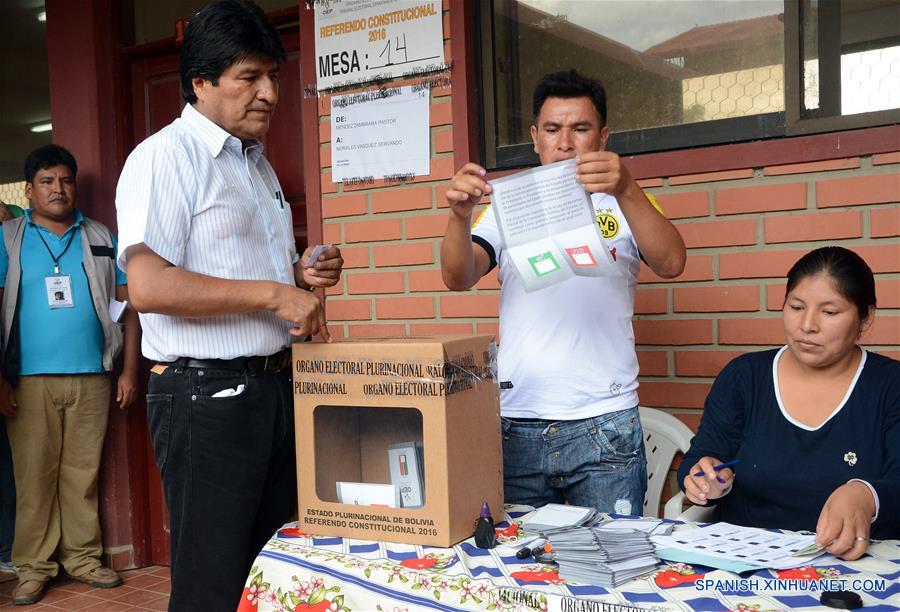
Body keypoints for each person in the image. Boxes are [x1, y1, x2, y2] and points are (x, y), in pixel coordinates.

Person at [115, 1, 343, 609]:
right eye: (250, 77)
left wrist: (298, 274)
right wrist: (274, 292)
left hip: (272, 389)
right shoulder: (164, 158)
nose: (269, 93)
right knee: (212, 583)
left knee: (271, 572)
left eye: (273, 75)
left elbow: (236, 273)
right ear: (201, 81)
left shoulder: (256, 164)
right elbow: (149, 287)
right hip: (204, 399)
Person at [440, 70, 686, 514]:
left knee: (610, 568)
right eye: (553, 129)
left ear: (603, 136)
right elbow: (459, 275)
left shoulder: (625, 200)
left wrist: (627, 187)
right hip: (518, 420)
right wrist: (458, 217)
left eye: (581, 129)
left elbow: (672, 263)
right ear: (536, 138)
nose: (565, 142)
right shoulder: (507, 204)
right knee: (519, 572)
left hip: (605, 422)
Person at [679, 246, 900, 560]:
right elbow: (700, 459)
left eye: (830, 312)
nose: (807, 325)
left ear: (866, 317)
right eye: (796, 307)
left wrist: (867, 495)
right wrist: (704, 480)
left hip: (855, 565)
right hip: (746, 558)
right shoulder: (744, 377)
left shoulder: (890, 386)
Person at [0, 144, 140, 605]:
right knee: (34, 477)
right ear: (29, 189)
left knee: (83, 474)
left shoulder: (100, 236)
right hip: (28, 380)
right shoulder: (9, 239)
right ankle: (34, 567)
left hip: (93, 376)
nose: (57, 189)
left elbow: (130, 309)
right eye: (46, 181)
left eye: (64, 180)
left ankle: (82, 559)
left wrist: (129, 370)